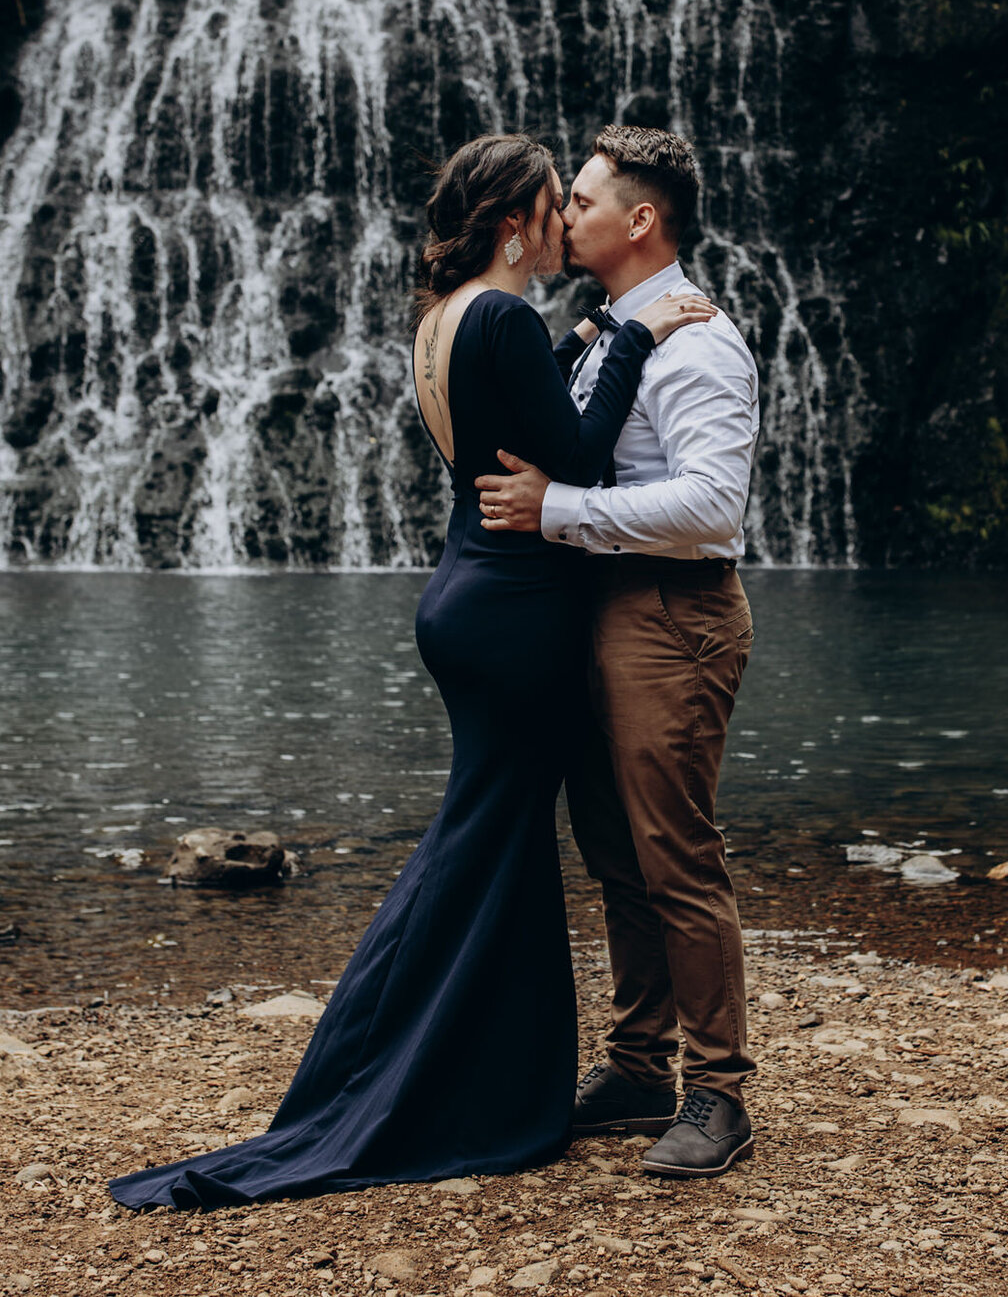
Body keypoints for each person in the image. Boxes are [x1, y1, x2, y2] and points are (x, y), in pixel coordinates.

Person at [108, 134, 714, 1211]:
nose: (560, 221)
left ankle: (415, 1060)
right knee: (489, 851)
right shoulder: (501, 317)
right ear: (511, 220)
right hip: (521, 611)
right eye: (548, 203)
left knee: (480, 843)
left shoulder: (449, 319)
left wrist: (590, 330)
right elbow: (571, 454)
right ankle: (435, 1081)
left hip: (467, 596)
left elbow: (522, 405)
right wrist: (631, 330)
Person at [473, 125, 763, 1179]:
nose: (564, 214)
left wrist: (558, 508)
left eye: (584, 199)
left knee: (675, 853)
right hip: (601, 607)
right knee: (616, 851)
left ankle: (719, 1091)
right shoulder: (608, 330)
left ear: (640, 219)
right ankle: (639, 1065)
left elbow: (709, 503)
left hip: (673, 611)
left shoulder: (697, 342)